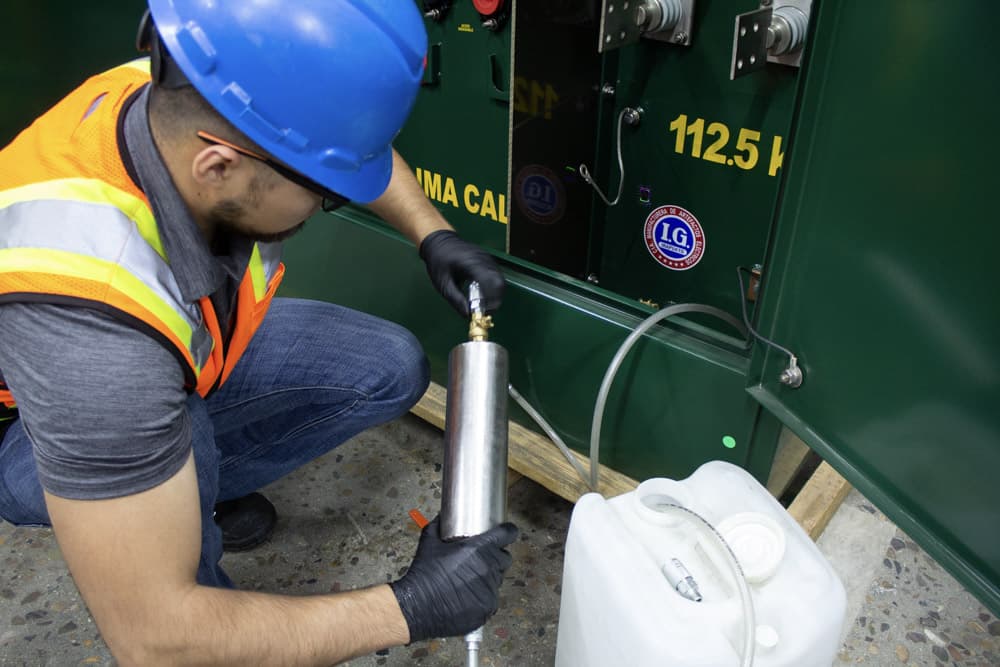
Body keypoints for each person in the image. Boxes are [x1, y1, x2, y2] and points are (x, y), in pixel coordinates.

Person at [0, 1, 516, 664]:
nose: (329, 200)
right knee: (185, 456)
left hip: (178, 352)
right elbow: (155, 640)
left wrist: (432, 234)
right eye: (326, 192)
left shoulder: (196, 90)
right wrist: (411, 605)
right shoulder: (97, 347)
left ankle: (192, 489)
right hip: (31, 433)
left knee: (388, 365)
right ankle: (192, 550)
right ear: (218, 167)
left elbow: (330, 145)